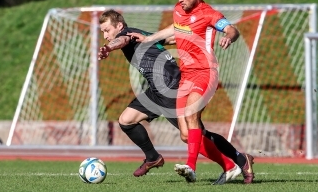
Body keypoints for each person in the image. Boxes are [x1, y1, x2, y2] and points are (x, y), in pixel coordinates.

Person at [98, 9, 253, 184]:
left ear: (119, 26)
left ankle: (239, 160)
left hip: (170, 86)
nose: (105, 35)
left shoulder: (127, 34)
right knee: (127, 120)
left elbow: (122, 40)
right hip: (156, 89)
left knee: (193, 135)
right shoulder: (141, 34)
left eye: (107, 30)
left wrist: (109, 47)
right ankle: (152, 157)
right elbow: (171, 39)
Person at [130, 0, 254, 185]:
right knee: (186, 134)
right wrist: (149, 38)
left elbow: (232, 29)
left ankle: (191, 167)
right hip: (186, 74)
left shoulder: (209, 14)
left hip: (206, 71)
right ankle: (234, 163)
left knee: (190, 115)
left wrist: (228, 37)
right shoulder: (179, 10)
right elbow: (175, 29)